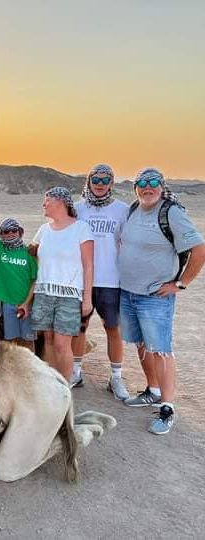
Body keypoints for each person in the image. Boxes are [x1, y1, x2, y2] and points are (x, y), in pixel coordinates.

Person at [119, 168, 205, 435]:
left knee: (161, 348)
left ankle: (167, 407)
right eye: (142, 183)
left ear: (162, 186)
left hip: (155, 296)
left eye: (153, 183)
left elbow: (199, 250)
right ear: (135, 188)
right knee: (142, 344)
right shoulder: (134, 209)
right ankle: (152, 390)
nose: (147, 187)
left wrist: (180, 283)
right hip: (129, 292)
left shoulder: (171, 213)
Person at [71, 164, 130, 400]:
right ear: (89, 180)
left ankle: (116, 377)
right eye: (96, 178)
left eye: (106, 179)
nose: (100, 183)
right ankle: (75, 372)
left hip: (111, 280)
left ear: (112, 183)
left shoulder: (122, 210)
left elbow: (130, 243)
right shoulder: (77, 209)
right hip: (81, 280)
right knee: (79, 327)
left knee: (112, 328)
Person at [29, 187, 94, 380]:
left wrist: (87, 299)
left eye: (47, 200)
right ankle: (52, 384)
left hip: (69, 295)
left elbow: (88, 265)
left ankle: (65, 386)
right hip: (44, 292)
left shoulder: (81, 228)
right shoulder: (43, 230)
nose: (43, 205)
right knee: (47, 340)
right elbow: (28, 254)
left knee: (61, 344)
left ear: (60, 202)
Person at [0, 218, 37, 350]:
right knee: (11, 341)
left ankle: (31, 368)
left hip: (26, 304)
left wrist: (26, 303)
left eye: (14, 230)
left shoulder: (28, 253)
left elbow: (35, 280)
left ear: (20, 232)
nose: (10, 234)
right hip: (8, 304)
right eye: (5, 231)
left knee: (28, 339)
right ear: (0, 234)